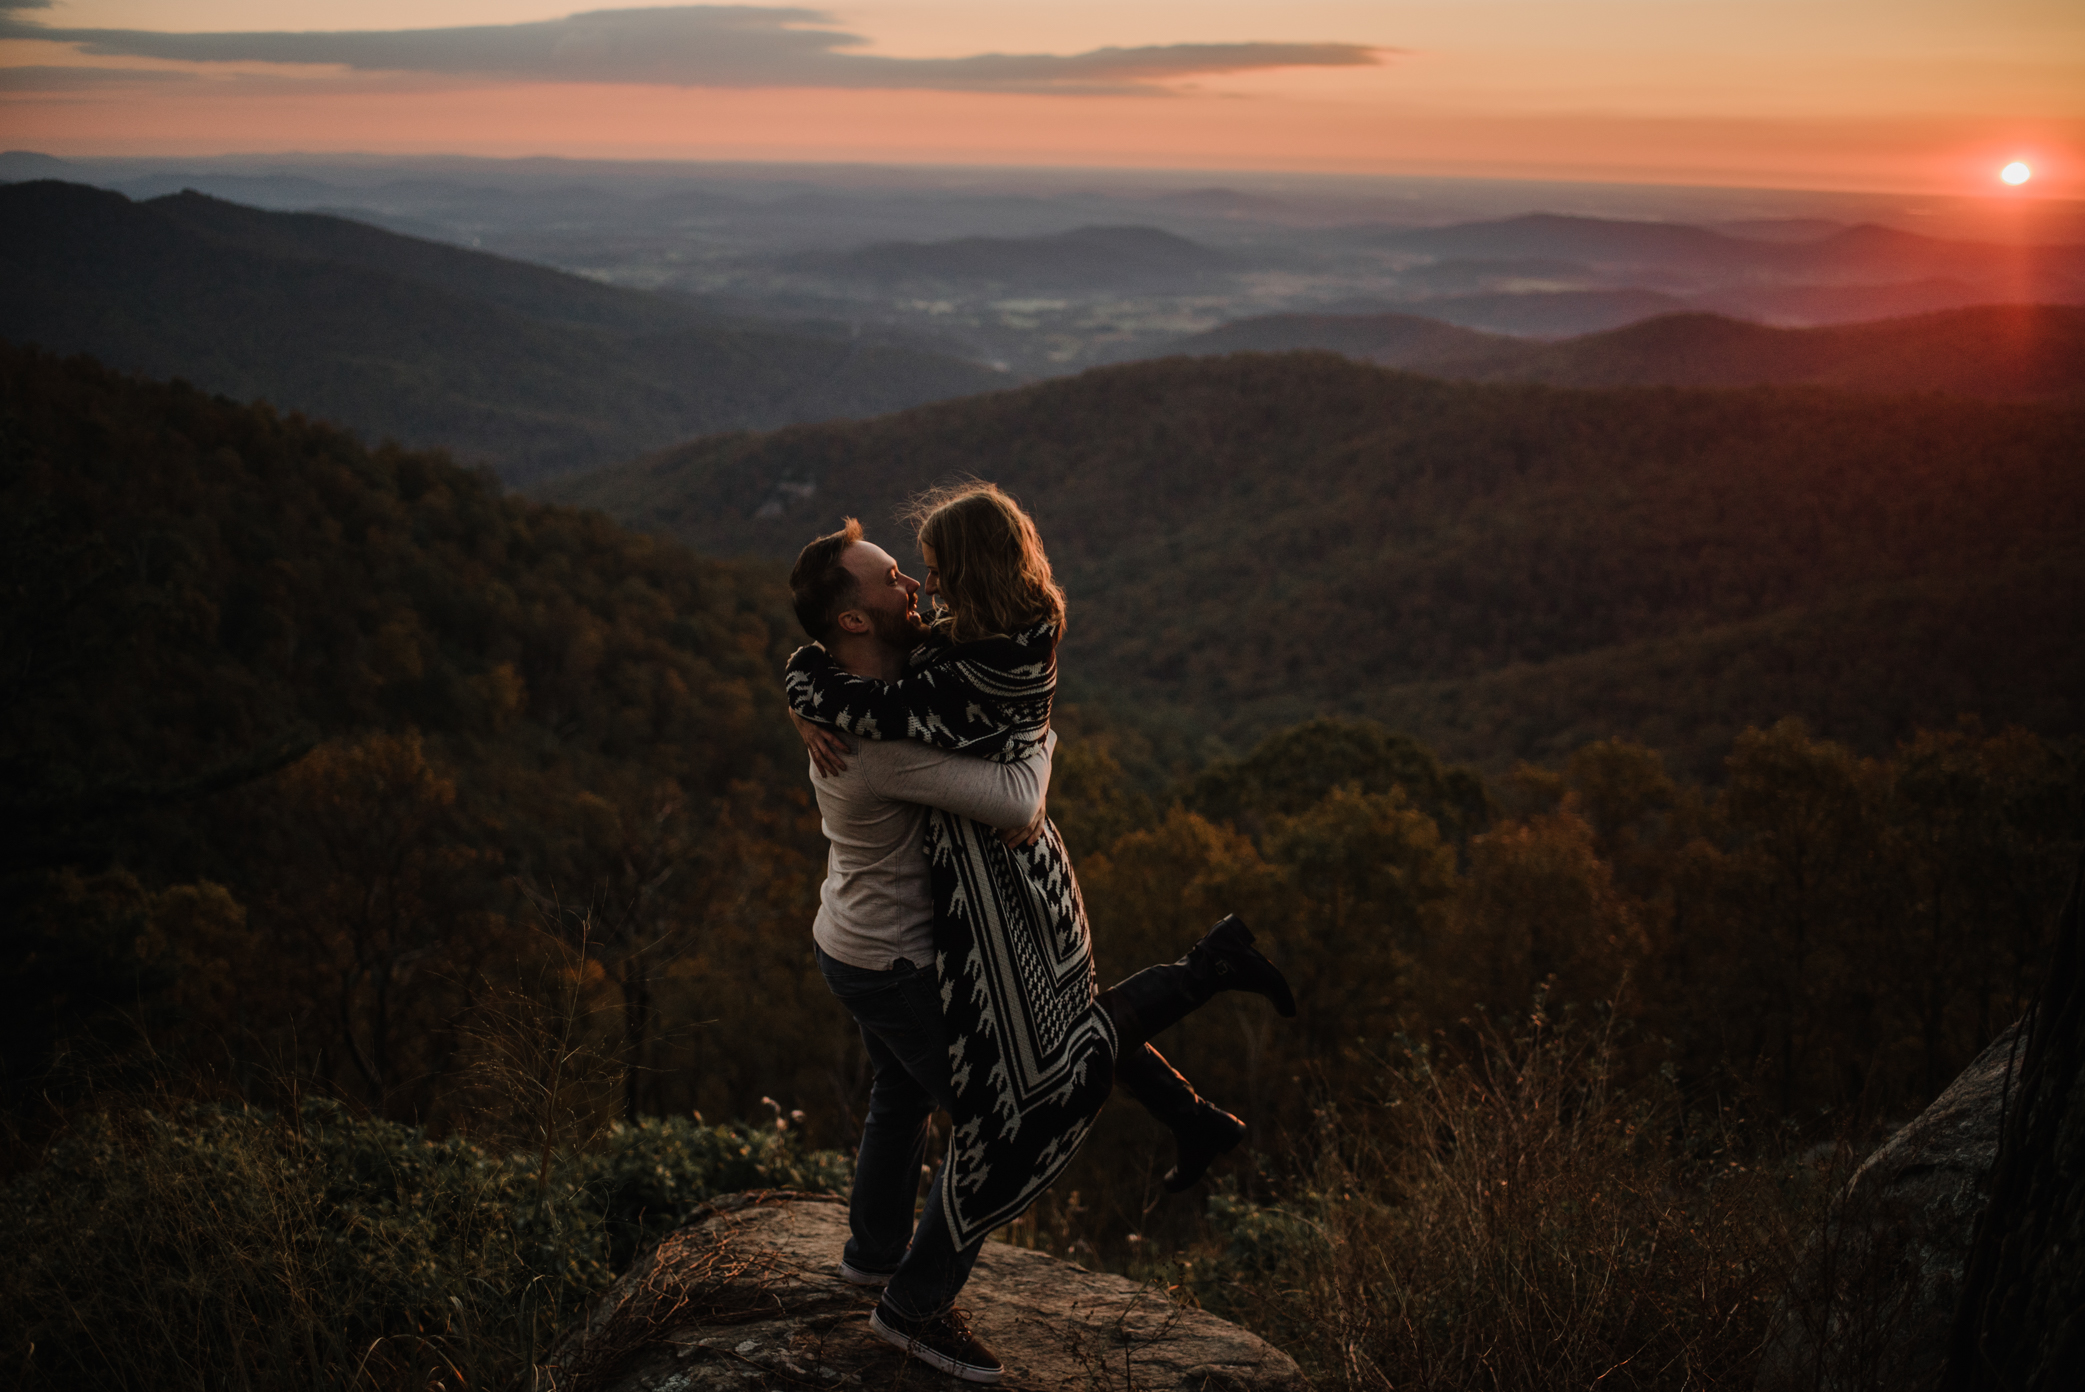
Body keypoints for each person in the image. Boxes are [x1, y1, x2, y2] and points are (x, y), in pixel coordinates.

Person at [786, 486, 1296, 1382]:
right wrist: (1040, 737)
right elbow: (1019, 802)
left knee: (900, 1097)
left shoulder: (879, 691)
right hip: (896, 960)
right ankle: (911, 1310)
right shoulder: (878, 738)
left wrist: (799, 684)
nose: (914, 585)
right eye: (892, 580)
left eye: (918, 571)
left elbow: (835, 670)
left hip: (855, 941)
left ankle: (871, 1257)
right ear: (852, 619)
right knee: (1006, 1120)